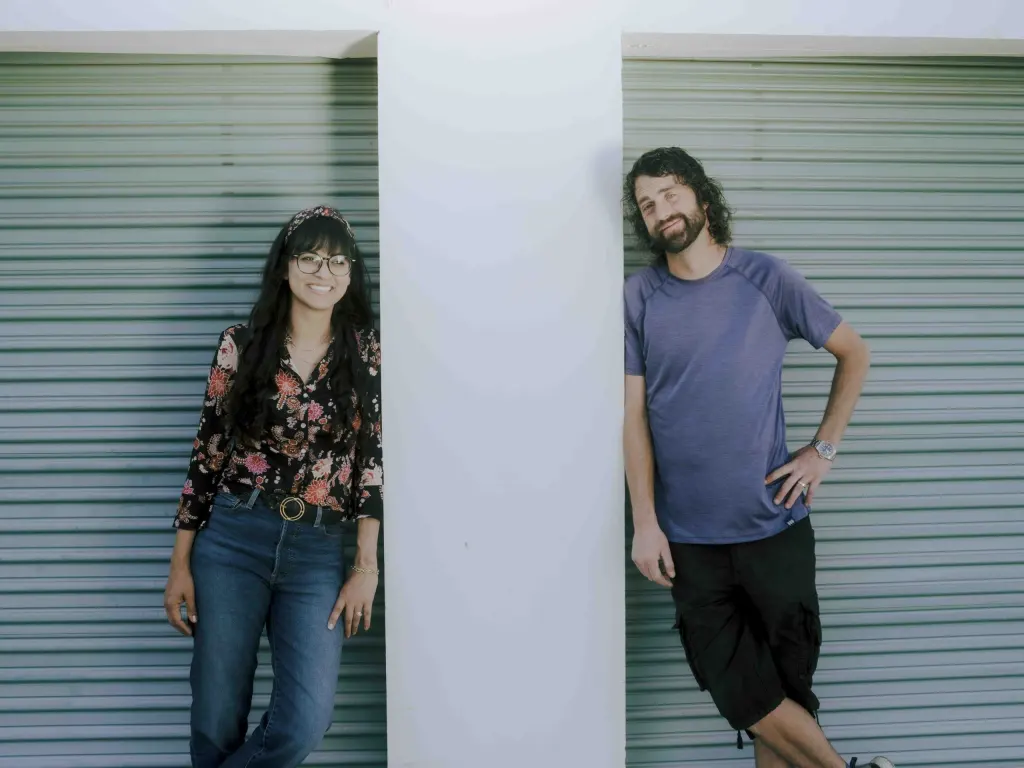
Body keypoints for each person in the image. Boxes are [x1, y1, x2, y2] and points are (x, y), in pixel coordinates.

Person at [622, 148, 892, 768]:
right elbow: (633, 418)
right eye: (647, 203)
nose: (662, 209)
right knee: (747, 697)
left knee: (783, 700)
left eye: (670, 193)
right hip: (689, 544)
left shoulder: (766, 279)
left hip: (775, 529)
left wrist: (823, 450)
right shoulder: (638, 298)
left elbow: (854, 353)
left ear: (701, 198)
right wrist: (644, 522)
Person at [162, 205, 383, 768]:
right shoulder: (240, 344)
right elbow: (207, 455)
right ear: (284, 267)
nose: (323, 271)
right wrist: (180, 565)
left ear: (351, 273)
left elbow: (371, 463)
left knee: (305, 721)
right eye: (309, 256)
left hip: (316, 550)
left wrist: (366, 565)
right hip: (233, 536)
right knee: (215, 715)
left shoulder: (368, 352)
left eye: (337, 260)